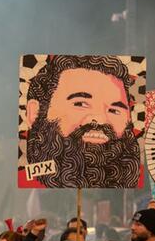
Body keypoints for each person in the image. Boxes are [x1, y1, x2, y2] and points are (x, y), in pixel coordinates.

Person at [21, 54, 141, 188]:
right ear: (34, 113)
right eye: (80, 104)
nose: (100, 120)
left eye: (114, 110)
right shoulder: (28, 179)